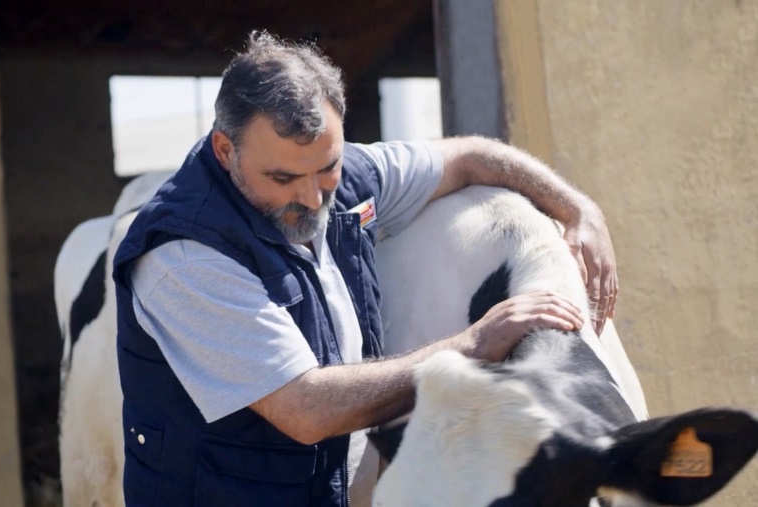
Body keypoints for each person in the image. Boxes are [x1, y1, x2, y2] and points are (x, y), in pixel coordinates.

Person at [111, 31, 618, 507]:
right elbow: (305, 409)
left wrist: (577, 209)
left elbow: (470, 156)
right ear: (226, 151)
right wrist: (473, 346)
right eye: (283, 177)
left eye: (325, 167)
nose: (312, 199)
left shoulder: (350, 179)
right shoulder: (184, 253)